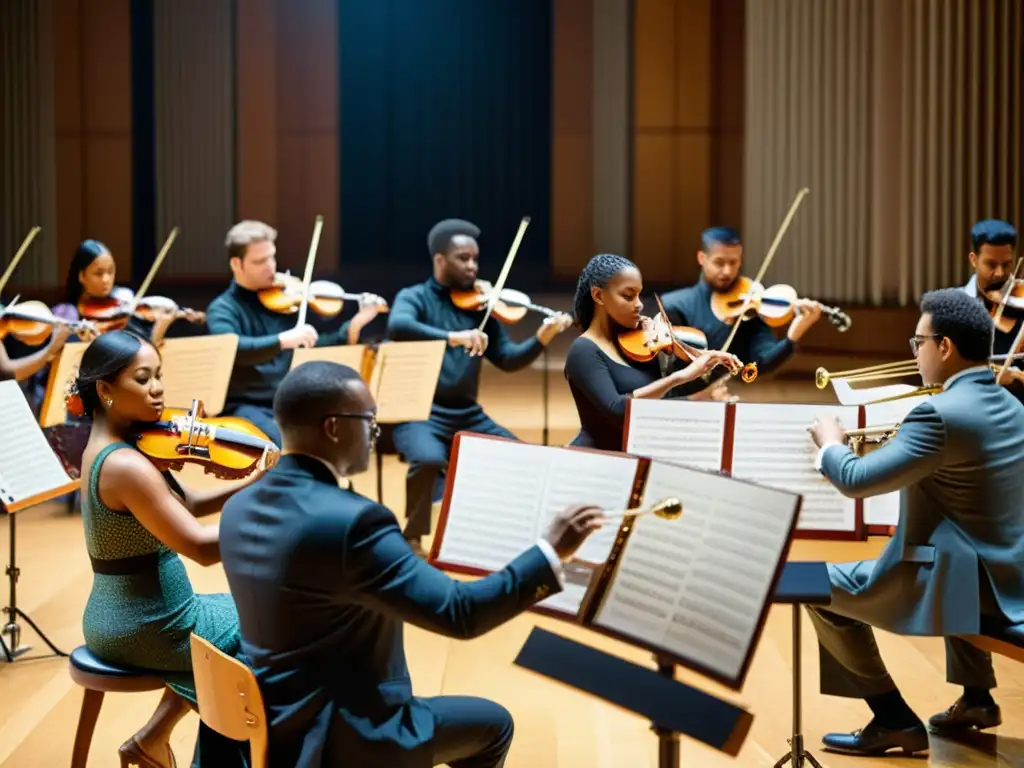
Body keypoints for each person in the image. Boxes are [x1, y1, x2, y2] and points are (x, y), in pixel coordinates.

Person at [218, 360, 603, 767]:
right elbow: (461, 613)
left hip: (268, 718)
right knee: (495, 725)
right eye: (368, 420)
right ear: (333, 427)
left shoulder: (240, 504)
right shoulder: (354, 522)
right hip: (341, 731)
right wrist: (548, 552)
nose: (375, 433)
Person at [805, 287, 1024, 757]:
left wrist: (829, 445)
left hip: (971, 585)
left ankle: (892, 720)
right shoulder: (1012, 405)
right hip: (1009, 575)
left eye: (917, 343)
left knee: (813, 585)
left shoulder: (937, 415)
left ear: (944, 347)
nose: (915, 352)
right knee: (962, 537)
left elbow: (856, 479)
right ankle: (977, 700)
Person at [73, 329, 273, 767]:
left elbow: (192, 504)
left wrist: (255, 483)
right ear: (105, 390)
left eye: (159, 375)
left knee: (243, 620)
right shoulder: (126, 465)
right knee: (269, 621)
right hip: (150, 622)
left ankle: (153, 738)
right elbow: (201, 547)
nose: (158, 388)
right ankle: (235, 749)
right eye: (142, 379)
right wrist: (277, 522)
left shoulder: (118, 447)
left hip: (119, 613)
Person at [386, 218, 572, 552]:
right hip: (420, 414)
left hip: (467, 413)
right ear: (440, 260)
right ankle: (412, 535)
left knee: (524, 456)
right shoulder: (414, 298)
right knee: (428, 460)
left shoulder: (480, 307)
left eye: (475, 258)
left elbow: (508, 359)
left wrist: (541, 339)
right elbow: (399, 326)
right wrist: (452, 337)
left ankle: (506, 530)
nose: (472, 266)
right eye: (463, 258)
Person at [205, 220, 386, 446]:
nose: (270, 267)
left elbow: (309, 347)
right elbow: (233, 349)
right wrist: (283, 340)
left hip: (290, 401)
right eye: (260, 261)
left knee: (338, 438)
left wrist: (353, 327)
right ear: (236, 263)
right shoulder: (223, 308)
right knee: (287, 445)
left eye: (272, 257)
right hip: (246, 406)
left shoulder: (285, 300)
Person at [563, 253, 742, 451]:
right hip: (600, 459)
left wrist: (698, 360)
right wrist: (682, 378)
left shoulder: (638, 344)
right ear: (598, 296)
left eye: (639, 295)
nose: (639, 304)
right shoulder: (583, 351)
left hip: (642, 456)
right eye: (628, 296)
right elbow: (617, 410)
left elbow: (663, 400)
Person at [659, 226, 823, 397]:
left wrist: (792, 337)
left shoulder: (748, 307)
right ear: (702, 258)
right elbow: (666, 372)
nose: (727, 271)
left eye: (734, 262)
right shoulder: (675, 305)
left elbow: (762, 362)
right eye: (719, 262)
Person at [960, 219, 1022, 398]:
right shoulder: (954, 307)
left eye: (1007, 264)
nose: (1000, 273)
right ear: (974, 259)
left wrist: (1018, 377)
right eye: (991, 265)